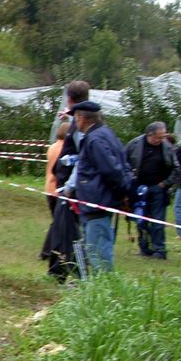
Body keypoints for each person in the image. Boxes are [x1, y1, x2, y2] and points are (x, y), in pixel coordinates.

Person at [66, 101, 133, 273]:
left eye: (75, 118)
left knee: (98, 254)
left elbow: (111, 170)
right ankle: (95, 291)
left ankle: (104, 293)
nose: (74, 122)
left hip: (98, 202)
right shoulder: (105, 134)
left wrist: (120, 194)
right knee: (93, 250)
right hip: (98, 201)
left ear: (81, 118)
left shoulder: (95, 139)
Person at [125, 121, 178, 259]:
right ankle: (144, 247)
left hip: (158, 188)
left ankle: (159, 249)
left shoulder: (167, 147)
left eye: (163, 137)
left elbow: (176, 168)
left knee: (158, 220)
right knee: (140, 218)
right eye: (158, 137)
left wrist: (166, 183)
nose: (161, 140)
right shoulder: (134, 144)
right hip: (138, 188)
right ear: (149, 135)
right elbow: (124, 164)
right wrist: (130, 180)